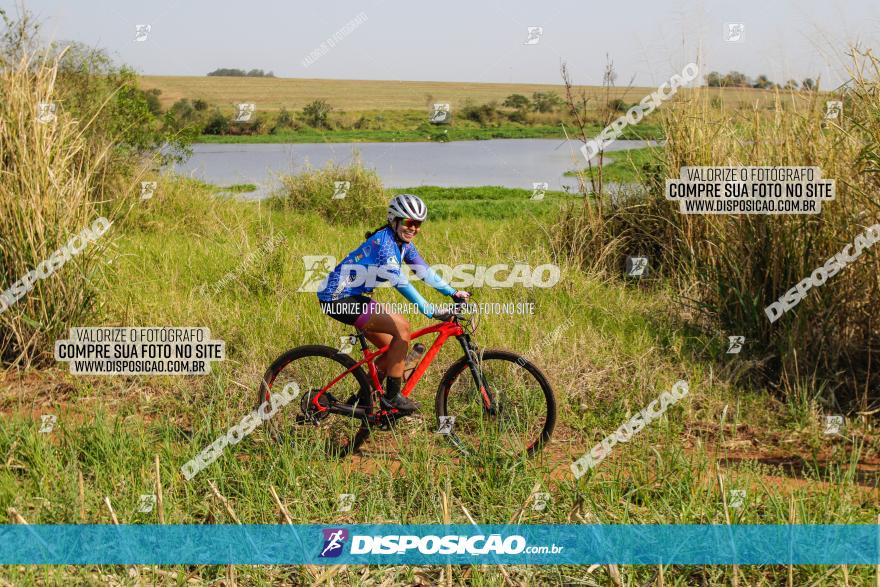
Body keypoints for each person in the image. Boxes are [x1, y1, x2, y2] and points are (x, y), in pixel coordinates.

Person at [317, 194, 470, 414]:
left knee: (393, 351)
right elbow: (399, 281)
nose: (413, 228)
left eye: (418, 224)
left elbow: (424, 271)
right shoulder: (384, 243)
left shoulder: (403, 245)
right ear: (394, 219)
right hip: (336, 298)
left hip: (354, 296)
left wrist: (452, 292)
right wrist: (429, 309)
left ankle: (359, 403)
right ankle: (392, 398)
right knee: (402, 328)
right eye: (409, 222)